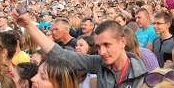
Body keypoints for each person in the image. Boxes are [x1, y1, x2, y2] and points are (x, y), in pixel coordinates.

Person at [13, 8, 148, 88]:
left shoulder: (143, 76)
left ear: (122, 42)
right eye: (98, 46)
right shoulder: (98, 63)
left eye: (107, 45)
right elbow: (60, 54)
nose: (102, 52)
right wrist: (29, 25)